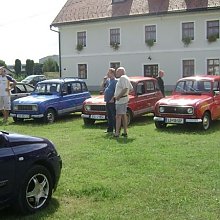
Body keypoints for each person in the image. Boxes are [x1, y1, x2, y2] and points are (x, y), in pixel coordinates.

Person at [113, 67, 133, 138]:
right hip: (124, 99)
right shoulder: (126, 78)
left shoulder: (123, 78)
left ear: (121, 72)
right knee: (123, 115)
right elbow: (131, 88)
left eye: (117, 71)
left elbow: (126, 88)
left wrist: (119, 96)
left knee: (118, 116)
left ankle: (117, 133)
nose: (116, 73)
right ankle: (125, 131)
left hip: (121, 100)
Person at [104, 68, 117, 133]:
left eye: (108, 73)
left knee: (113, 115)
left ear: (112, 73)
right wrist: (104, 80)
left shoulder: (115, 81)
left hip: (112, 101)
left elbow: (116, 91)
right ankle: (110, 129)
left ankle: (115, 129)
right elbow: (103, 87)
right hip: (107, 100)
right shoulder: (108, 80)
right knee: (109, 115)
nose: (107, 74)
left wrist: (112, 99)